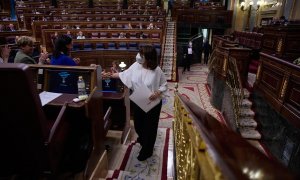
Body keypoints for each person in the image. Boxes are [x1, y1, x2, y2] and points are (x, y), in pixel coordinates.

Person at [111, 45, 168, 161]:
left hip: (153, 103)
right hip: (138, 100)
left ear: (149, 58)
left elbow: (164, 85)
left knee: (150, 128)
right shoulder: (136, 65)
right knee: (138, 124)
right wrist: (113, 75)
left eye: (142, 55)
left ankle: (147, 151)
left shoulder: (157, 70)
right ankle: (142, 139)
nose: (139, 56)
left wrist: (157, 92)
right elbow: (125, 74)